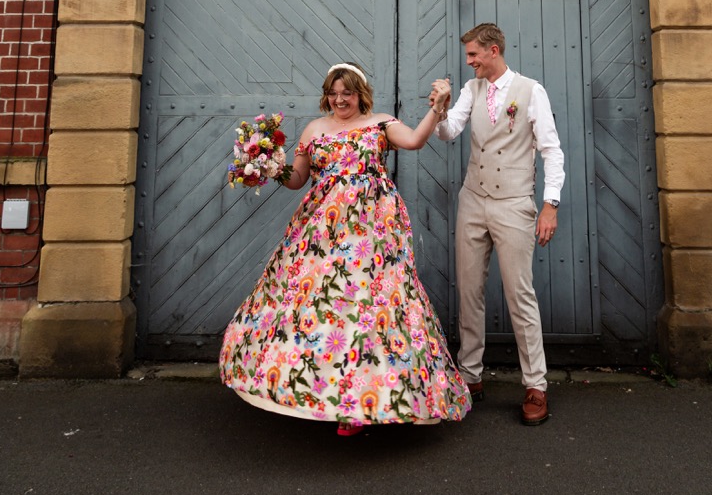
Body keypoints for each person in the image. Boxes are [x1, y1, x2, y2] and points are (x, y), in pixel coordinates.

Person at [220, 61, 472, 435]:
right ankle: (319, 393)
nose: (340, 99)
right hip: (322, 233)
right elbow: (299, 179)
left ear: (360, 94)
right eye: (334, 93)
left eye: (347, 93)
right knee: (322, 307)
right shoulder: (315, 129)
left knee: (368, 309)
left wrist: (437, 110)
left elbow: (415, 141)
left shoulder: (380, 123)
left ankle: (361, 405)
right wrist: (271, 166)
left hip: (373, 231)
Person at [430, 23, 565, 426]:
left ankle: (535, 384)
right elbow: (449, 132)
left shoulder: (530, 91)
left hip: (513, 205)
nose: (468, 61)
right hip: (473, 201)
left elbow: (551, 150)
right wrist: (439, 107)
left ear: (492, 51)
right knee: (469, 290)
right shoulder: (472, 90)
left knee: (519, 294)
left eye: (473, 55)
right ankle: (470, 377)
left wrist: (550, 205)